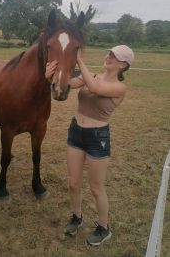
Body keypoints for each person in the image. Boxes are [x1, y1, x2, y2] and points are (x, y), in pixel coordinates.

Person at [45, 45, 134, 246]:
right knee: (73, 182)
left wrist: (78, 60)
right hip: (76, 132)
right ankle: (77, 216)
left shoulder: (120, 88)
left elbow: (95, 89)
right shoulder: (90, 75)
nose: (108, 57)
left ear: (124, 64)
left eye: (114, 56)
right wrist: (50, 76)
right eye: (108, 53)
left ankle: (104, 227)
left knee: (96, 187)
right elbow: (65, 84)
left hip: (97, 137)